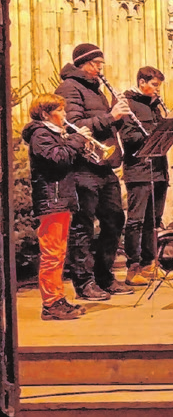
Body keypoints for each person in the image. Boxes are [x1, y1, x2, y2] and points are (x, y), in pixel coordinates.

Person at [55, 43, 134, 300]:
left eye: (102, 64)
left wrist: (120, 117)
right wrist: (111, 116)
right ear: (83, 64)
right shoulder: (69, 88)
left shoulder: (94, 89)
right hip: (83, 166)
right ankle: (84, 282)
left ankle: (104, 275)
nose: (101, 69)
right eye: (96, 64)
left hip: (103, 164)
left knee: (114, 219)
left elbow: (103, 124)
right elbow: (74, 126)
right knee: (83, 226)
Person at [22, 94, 89, 319]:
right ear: (45, 114)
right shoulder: (40, 135)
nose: (65, 114)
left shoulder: (54, 134)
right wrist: (77, 139)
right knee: (52, 254)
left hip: (60, 199)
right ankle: (51, 304)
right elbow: (59, 159)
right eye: (60, 110)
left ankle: (57, 299)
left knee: (58, 253)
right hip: (51, 200)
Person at [119, 66, 168, 286]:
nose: (157, 90)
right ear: (142, 82)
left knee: (153, 220)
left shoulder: (154, 105)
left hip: (158, 168)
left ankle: (150, 264)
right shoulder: (128, 104)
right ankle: (133, 267)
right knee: (136, 220)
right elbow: (128, 137)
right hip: (138, 169)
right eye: (154, 85)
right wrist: (151, 135)